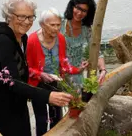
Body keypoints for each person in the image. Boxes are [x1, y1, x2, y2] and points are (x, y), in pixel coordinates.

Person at [0, 0, 73, 136]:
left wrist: (42, 76)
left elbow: (22, 70)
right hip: (2, 104)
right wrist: (47, 96)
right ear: (8, 15)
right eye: (21, 16)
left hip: (18, 99)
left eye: (30, 17)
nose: (26, 21)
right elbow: (11, 81)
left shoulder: (22, 38)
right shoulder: (3, 41)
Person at [26, 8, 88, 136]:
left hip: (56, 81)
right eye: (52, 25)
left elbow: (63, 63)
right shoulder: (31, 40)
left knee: (56, 116)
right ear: (42, 24)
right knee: (41, 119)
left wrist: (78, 68)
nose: (56, 28)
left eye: (58, 24)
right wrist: (41, 75)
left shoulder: (60, 38)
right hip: (37, 84)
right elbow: (27, 68)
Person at [60, 0, 107, 86]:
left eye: (84, 11)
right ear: (72, 6)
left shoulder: (87, 29)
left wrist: (103, 70)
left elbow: (96, 51)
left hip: (77, 77)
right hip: (59, 75)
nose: (79, 13)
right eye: (78, 8)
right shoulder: (60, 24)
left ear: (88, 13)